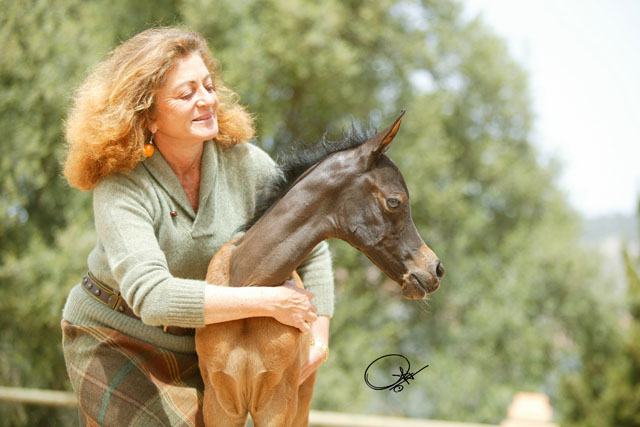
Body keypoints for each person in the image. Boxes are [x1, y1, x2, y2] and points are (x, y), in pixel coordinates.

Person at [60, 27, 334, 426]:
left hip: (199, 345)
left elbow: (311, 244)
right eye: (186, 93)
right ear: (147, 113)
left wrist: (320, 337)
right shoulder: (119, 186)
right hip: (114, 337)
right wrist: (268, 302)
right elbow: (152, 298)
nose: (206, 99)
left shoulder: (247, 163)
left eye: (208, 85)